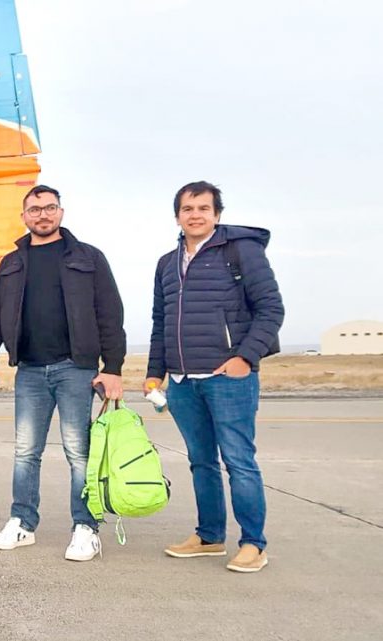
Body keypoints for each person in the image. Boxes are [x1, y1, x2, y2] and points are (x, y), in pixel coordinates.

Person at [0, 185, 126, 562]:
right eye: (35, 209)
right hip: (30, 371)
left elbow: (110, 313)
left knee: (79, 453)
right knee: (26, 452)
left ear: (61, 212)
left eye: (49, 207)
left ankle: (86, 527)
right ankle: (22, 523)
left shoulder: (88, 257)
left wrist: (113, 368)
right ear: (24, 216)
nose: (43, 214)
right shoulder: (11, 263)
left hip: (76, 369)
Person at [145, 181, 284, 573]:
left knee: (239, 461)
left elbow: (271, 309)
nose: (196, 215)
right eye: (188, 209)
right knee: (201, 461)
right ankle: (209, 537)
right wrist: (155, 373)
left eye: (203, 208)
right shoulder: (166, 263)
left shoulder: (242, 251)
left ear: (217, 214)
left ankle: (253, 543)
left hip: (228, 378)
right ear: (177, 216)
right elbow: (161, 322)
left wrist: (245, 357)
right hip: (182, 381)